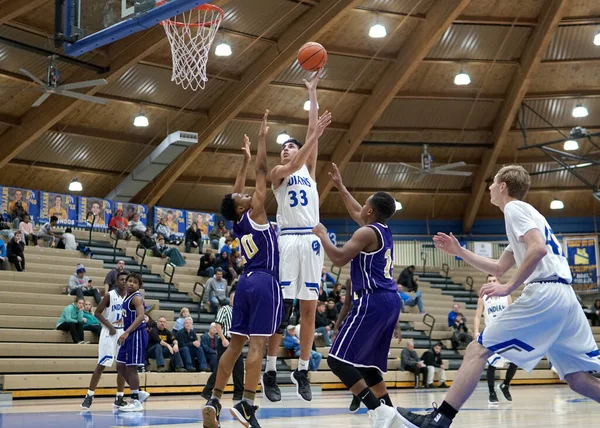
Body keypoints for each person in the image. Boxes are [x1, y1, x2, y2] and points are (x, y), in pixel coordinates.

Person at [396, 165, 600, 428]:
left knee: (477, 349)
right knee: (577, 378)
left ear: (503, 186)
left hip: (546, 293)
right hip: (565, 297)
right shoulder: (529, 216)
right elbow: (498, 267)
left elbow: (537, 250)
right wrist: (459, 251)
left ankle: (439, 420)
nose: (490, 187)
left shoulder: (514, 209)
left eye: (493, 182)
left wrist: (508, 287)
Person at [202, 113, 284, 428]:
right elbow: (263, 172)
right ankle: (247, 404)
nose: (248, 193)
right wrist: (262, 140)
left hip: (244, 284)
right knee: (258, 344)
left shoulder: (238, 222)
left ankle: (215, 398)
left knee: (236, 343)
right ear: (242, 207)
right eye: (244, 197)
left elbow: (233, 193)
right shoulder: (257, 212)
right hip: (264, 281)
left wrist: (243, 161)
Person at [312, 166, 402, 427]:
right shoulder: (381, 230)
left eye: (365, 204)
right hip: (388, 301)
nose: (361, 207)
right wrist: (341, 186)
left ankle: (377, 410)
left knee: (336, 360)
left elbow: (339, 258)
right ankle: (390, 413)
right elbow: (356, 212)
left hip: (372, 300)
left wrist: (323, 236)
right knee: (365, 365)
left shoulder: (365, 232)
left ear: (371, 211)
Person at [264, 76, 331, 403]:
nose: (288, 148)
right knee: (282, 311)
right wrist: (312, 137)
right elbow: (308, 142)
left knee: (310, 311)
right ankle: (271, 370)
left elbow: (310, 131)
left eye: (291, 145)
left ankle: (303, 370)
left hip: (312, 242)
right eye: (284, 147)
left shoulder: (308, 170)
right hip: (288, 241)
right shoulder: (278, 173)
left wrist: (312, 92)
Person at [80, 272, 146, 410]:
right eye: (123, 280)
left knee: (122, 365)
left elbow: (131, 314)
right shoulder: (110, 295)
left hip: (124, 331)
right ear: (117, 281)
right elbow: (97, 312)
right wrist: (110, 326)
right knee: (102, 364)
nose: (125, 282)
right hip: (110, 332)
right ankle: (89, 396)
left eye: (127, 280)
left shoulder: (130, 297)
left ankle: (120, 397)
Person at [474, 274, 518, 404]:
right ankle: (491, 393)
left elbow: (512, 314)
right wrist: (476, 331)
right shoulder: (483, 298)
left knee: (515, 360)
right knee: (492, 364)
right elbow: (477, 316)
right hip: (492, 334)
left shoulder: (506, 296)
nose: (492, 282)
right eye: (489, 281)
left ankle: (505, 385)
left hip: (506, 333)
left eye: (494, 280)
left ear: (498, 282)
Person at [201, 290, 244, 403]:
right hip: (226, 340)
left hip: (237, 341)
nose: (235, 300)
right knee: (222, 367)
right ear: (230, 299)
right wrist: (223, 338)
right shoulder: (224, 309)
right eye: (233, 298)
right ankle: (207, 390)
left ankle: (238, 394)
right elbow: (218, 324)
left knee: (239, 367)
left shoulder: (241, 311)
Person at [116, 273, 148, 412]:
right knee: (120, 366)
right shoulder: (127, 297)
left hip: (135, 334)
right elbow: (129, 315)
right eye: (129, 281)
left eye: (134, 282)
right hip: (129, 334)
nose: (130, 284)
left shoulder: (136, 298)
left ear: (138, 286)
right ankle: (139, 392)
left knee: (131, 367)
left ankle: (135, 400)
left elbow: (141, 316)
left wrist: (126, 331)